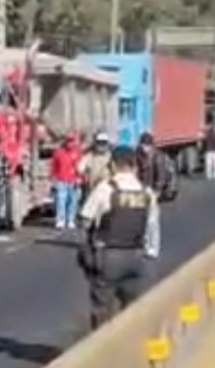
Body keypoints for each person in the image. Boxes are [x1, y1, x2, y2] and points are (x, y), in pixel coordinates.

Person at [78, 146, 159, 331]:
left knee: (102, 309)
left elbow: (85, 219)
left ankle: (101, 349)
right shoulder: (147, 193)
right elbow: (152, 227)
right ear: (135, 165)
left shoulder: (106, 189)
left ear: (113, 165)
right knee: (133, 310)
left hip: (108, 256)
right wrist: (151, 255)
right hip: (137, 255)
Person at [50, 135, 83, 229]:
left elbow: (82, 167)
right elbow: (54, 166)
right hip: (61, 181)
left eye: (72, 141)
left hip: (74, 181)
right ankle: (60, 220)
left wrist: (80, 178)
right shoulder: (58, 153)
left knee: (72, 202)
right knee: (60, 201)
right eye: (69, 141)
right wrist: (53, 178)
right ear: (65, 142)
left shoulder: (78, 153)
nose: (70, 144)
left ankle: (70, 220)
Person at [78, 130, 114, 196]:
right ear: (95, 142)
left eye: (104, 142)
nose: (102, 144)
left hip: (107, 189)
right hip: (92, 189)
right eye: (100, 142)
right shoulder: (90, 155)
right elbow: (80, 169)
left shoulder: (111, 156)